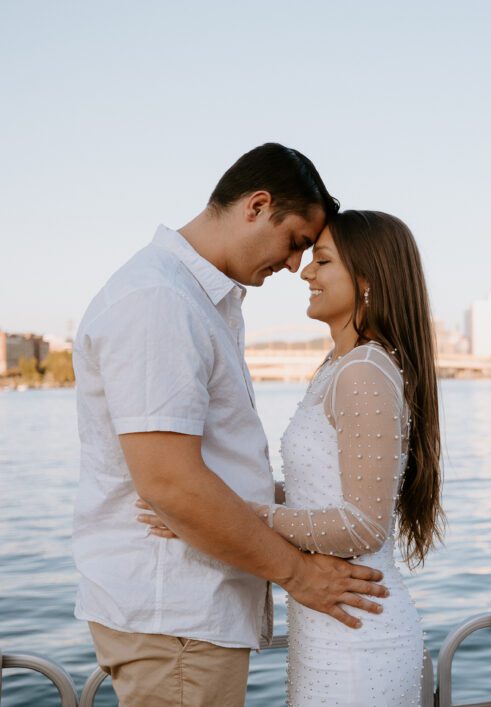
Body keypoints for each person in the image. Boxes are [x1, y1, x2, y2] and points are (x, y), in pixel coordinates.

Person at [72, 144, 388, 707]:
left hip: (190, 620)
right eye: (294, 242)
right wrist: (298, 575)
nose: (295, 265)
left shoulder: (199, 301)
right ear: (256, 205)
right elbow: (169, 483)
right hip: (177, 620)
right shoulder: (160, 301)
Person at [141, 209, 445, 706]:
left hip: (358, 637)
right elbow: (316, 494)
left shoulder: (365, 370)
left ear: (366, 279)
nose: (305, 271)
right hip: (331, 628)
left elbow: (363, 525)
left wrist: (230, 516)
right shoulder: (339, 365)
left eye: (322, 261)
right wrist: (202, 500)